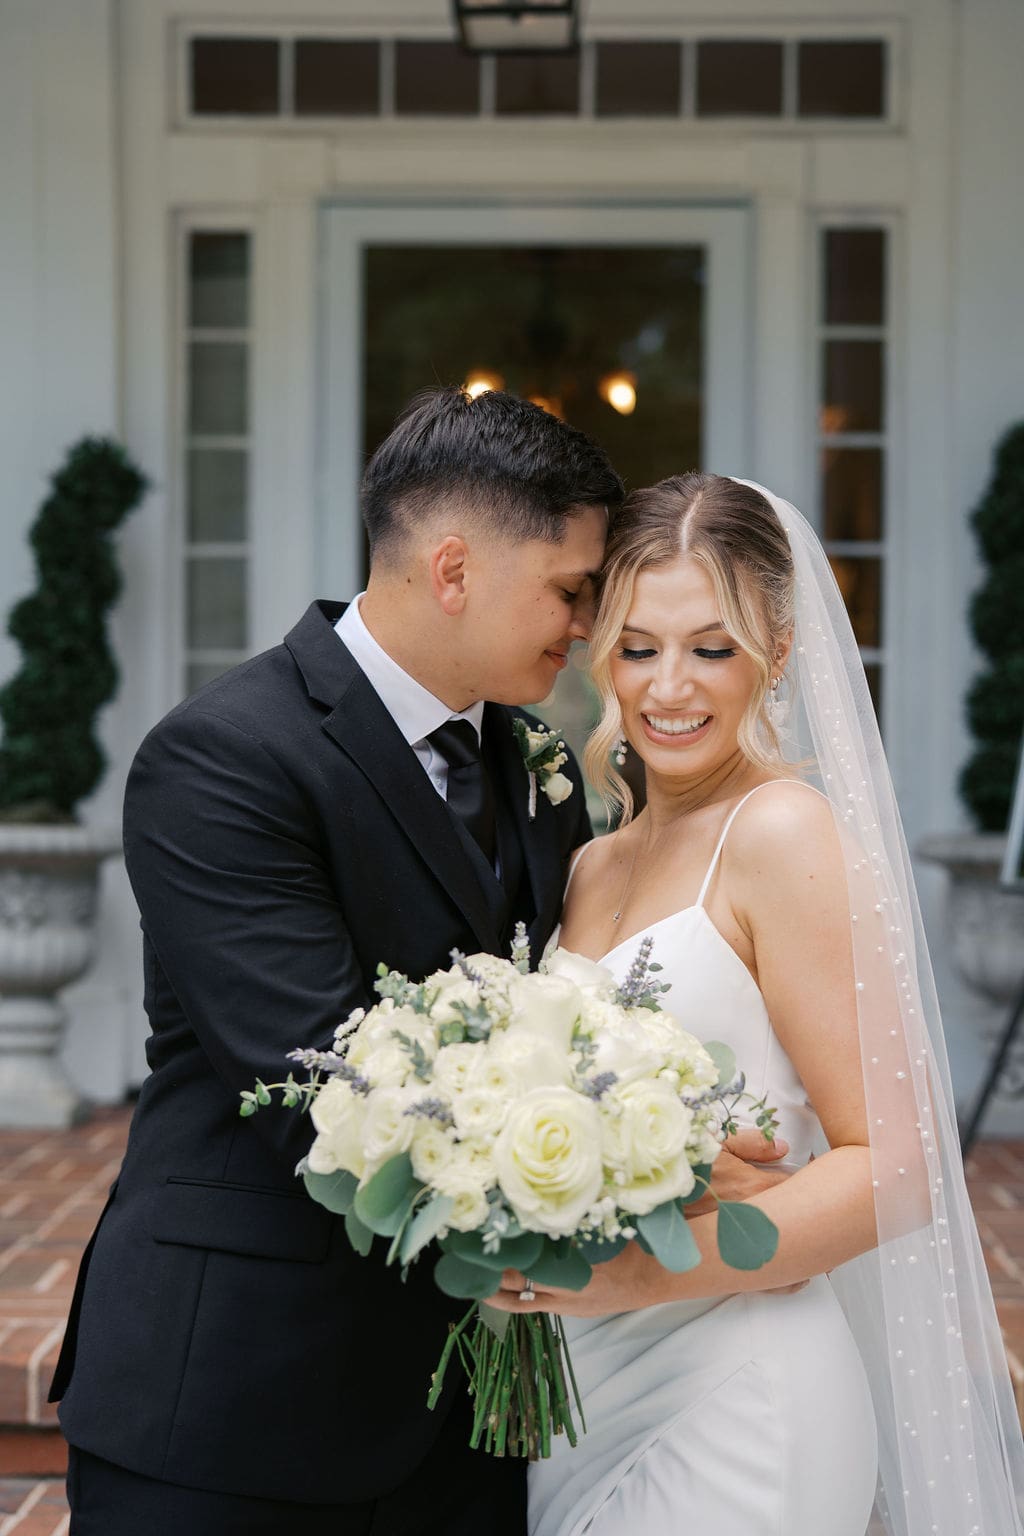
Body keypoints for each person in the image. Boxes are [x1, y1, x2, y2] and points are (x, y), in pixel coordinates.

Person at [49, 395, 786, 1536]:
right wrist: (654, 1168)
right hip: (238, 1398)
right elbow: (326, 1081)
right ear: (453, 570)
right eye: (570, 590)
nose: (588, 624)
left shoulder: (535, 762)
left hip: (468, 1417)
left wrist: (664, 1128)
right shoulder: (226, 756)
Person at [491, 473, 1024, 1536]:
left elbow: (900, 1167)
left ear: (775, 654)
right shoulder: (591, 863)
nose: (668, 687)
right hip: (582, 1399)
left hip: (739, 1394)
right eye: (638, 647)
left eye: (711, 647)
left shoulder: (779, 833)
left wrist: (640, 1274)